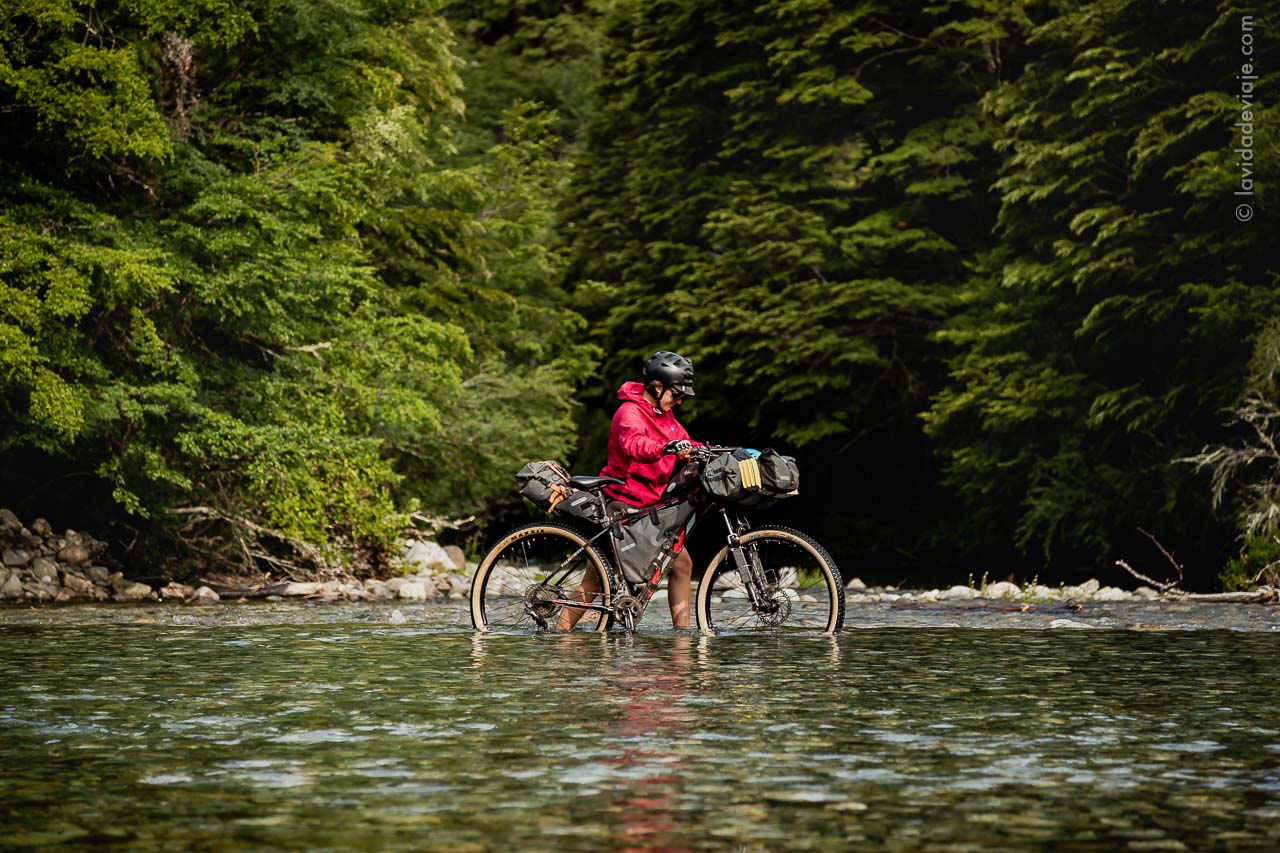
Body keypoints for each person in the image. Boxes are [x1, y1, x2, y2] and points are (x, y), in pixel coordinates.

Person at [557, 351, 701, 630]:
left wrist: (708, 452)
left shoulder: (666, 416)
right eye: (677, 393)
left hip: (650, 506)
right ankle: (559, 637)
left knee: (682, 564)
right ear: (657, 387)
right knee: (596, 579)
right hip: (622, 503)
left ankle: (683, 639)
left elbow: (686, 443)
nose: (680, 400)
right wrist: (665, 448)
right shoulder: (629, 412)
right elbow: (635, 445)